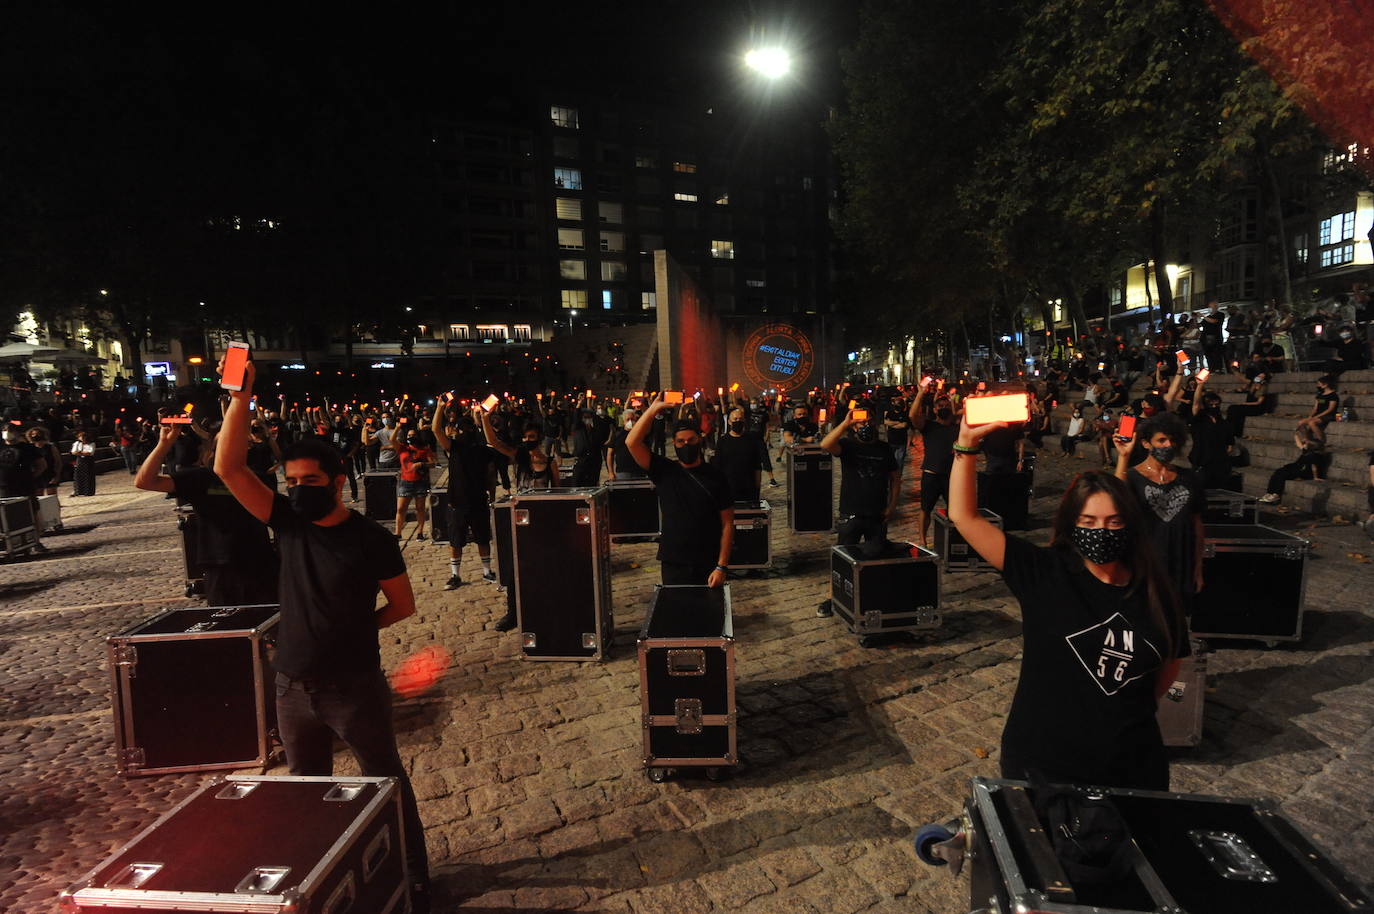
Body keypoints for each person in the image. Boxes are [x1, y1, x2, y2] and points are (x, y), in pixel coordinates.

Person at [211, 359, 431, 912]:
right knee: (305, 792)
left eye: (310, 482)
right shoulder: (287, 522)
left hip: (353, 687)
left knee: (384, 782)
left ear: (337, 482)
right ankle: (321, 881)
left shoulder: (372, 539)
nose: (298, 491)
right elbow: (228, 467)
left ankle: (414, 874)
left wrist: (356, 628)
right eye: (291, 483)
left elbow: (402, 606)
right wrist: (239, 397)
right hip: (291, 687)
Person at [949, 415, 1187, 789]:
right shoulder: (1044, 573)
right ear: (1071, 524)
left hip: (1134, 765)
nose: (1101, 532)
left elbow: (1167, 667)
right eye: (1088, 522)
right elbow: (964, 517)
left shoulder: (1157, 590)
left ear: (1130, 525)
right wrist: (966, 445)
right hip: (1045, 764)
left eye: (1113, 522)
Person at [134, 422, 279, 606]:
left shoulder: (259, 478)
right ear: (215, 450)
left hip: (260, 561)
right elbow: (144, 481)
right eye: (224, 443)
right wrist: (164, 443)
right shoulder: (200, 477)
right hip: (219, 565)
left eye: (236, 443)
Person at [625, 398, 733, 586]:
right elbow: (632, 442)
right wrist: (651, 410)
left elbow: (727, 523)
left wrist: (722, 566)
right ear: (674, 443)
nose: (686, 445)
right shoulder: (664, 470)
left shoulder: (716, 476)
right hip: (674, 559)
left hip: (708, 559)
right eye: (681, 441)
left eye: (691, 440)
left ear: (699, 439)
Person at [1114, 412, 1206, 616]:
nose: (1168, 445)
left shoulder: (1190, 478)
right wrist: (1123, 457)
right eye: (1161, 440)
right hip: (1145, 565)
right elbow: (1116, 501)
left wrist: (1198, 566)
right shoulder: (1133, 477)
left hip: (1180, 565)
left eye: (1172, 440)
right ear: (1146, 443)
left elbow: (1197, 523)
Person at [815, 408, 900, 617]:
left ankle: (871, 597)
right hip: (850, 513)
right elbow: (825, 445)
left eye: (869, 421)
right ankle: (833, 598)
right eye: (861, 422)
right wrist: (845, 423)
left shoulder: (884, 449)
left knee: (875, 558)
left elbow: (895, 479)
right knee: (842, 557)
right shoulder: (848, 445)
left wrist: (892, 506)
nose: (865, 425)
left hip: (877, 514)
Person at [433, 403, 501, 595]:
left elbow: (436, 430)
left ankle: (474, 573)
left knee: (473, 539)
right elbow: (491, 476)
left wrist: (440, 408)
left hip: (467, 500)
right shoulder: (465, 448)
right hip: (464, 501)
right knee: (469, 539)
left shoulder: (458, 447)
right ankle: (469, 573)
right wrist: (492, 497)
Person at [909, 383, 960, 547]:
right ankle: (922, 541)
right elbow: (912, 416)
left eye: (946, 406)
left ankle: (953, 541)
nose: (944, 408)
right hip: (931, 474)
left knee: (955, 511)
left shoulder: (957, 428)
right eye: (940, 406)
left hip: (950, 476)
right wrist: (920, 394)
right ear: (935, 409)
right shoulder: (929, 426)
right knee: (925, 509)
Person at [711, 406, 773, 502]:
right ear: (729, 422)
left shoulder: (752, 440)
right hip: (729, 487)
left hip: (748, 487)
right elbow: (718, 465)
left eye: (740, 419)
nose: (738, 421)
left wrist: (757, 488)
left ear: (744, 420)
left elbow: (757, 466)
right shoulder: (723, 441)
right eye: (735, 419)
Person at [1258, 426, 1327, 504]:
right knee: (1278, 472)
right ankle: (1269, 493)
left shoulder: (1315, 456)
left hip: (1302, 471)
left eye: (1306, 444)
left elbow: (1314, 467)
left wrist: (1315, 477)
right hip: (1296, 467)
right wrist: (1296, 434)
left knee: (1282, 475)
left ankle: (1276, 494)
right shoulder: (1307, 451)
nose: (1304, 444)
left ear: (1311, 447)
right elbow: (1299, 444)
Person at [391, 423, 433, 541]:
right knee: (401, 508)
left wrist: (422, 464)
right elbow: (392, 440)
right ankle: (398, 533)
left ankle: (420, 532)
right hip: (405, 482)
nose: (411, 437)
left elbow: (433, 463)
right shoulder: (402, 448)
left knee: (420, 508)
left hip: (420, 482)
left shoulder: (424, 449)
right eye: (409, 435)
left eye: (413, 435)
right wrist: (397, 428)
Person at [1187, 385, 1235, 489]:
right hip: (1201, 459)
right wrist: (1200, 385)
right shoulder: (1199, 419)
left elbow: (1229, 444)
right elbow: (1196, 403)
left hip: (1219, 462)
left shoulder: (1223, 423)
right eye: (1211, 404)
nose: (1214, 407)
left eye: (1216, 404)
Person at [1225, 372, 1270, 438]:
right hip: (1247, 406)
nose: (1259, 377)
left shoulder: (1263, 389)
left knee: (1237, 411)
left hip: (1255, 408)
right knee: (1231, 408)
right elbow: (1242, 385)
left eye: (1261, 377)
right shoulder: (1252, 386)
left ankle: (1237, 433)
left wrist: (1244, 403)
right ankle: (1228, 429)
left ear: (1264, 380)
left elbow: (1258, 403)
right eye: (1259, 375)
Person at [1296, 375, 1339, 444]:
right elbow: (1315, 408)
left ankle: (1321, 440)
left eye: (1319, 383)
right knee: (1300, 422)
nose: (1318, 385)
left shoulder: (1333, 395)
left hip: (1329, 415)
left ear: (1326, 384)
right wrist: (1310, 416)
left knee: (1311, 422)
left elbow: (1330, 409)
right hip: (1318, 415)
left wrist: (1317, 416)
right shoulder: (1320, 395)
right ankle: (1307, 439)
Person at [71, 429, 97, 496]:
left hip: (88, 461)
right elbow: (73, 452)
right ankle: (78, 491)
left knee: (88, 476)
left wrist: (79, 453)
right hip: (80, 460)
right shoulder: (77, 443)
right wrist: (80, 453)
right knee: (78, 476)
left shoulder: (92, 444)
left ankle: (88, 491)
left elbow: (89, 453)